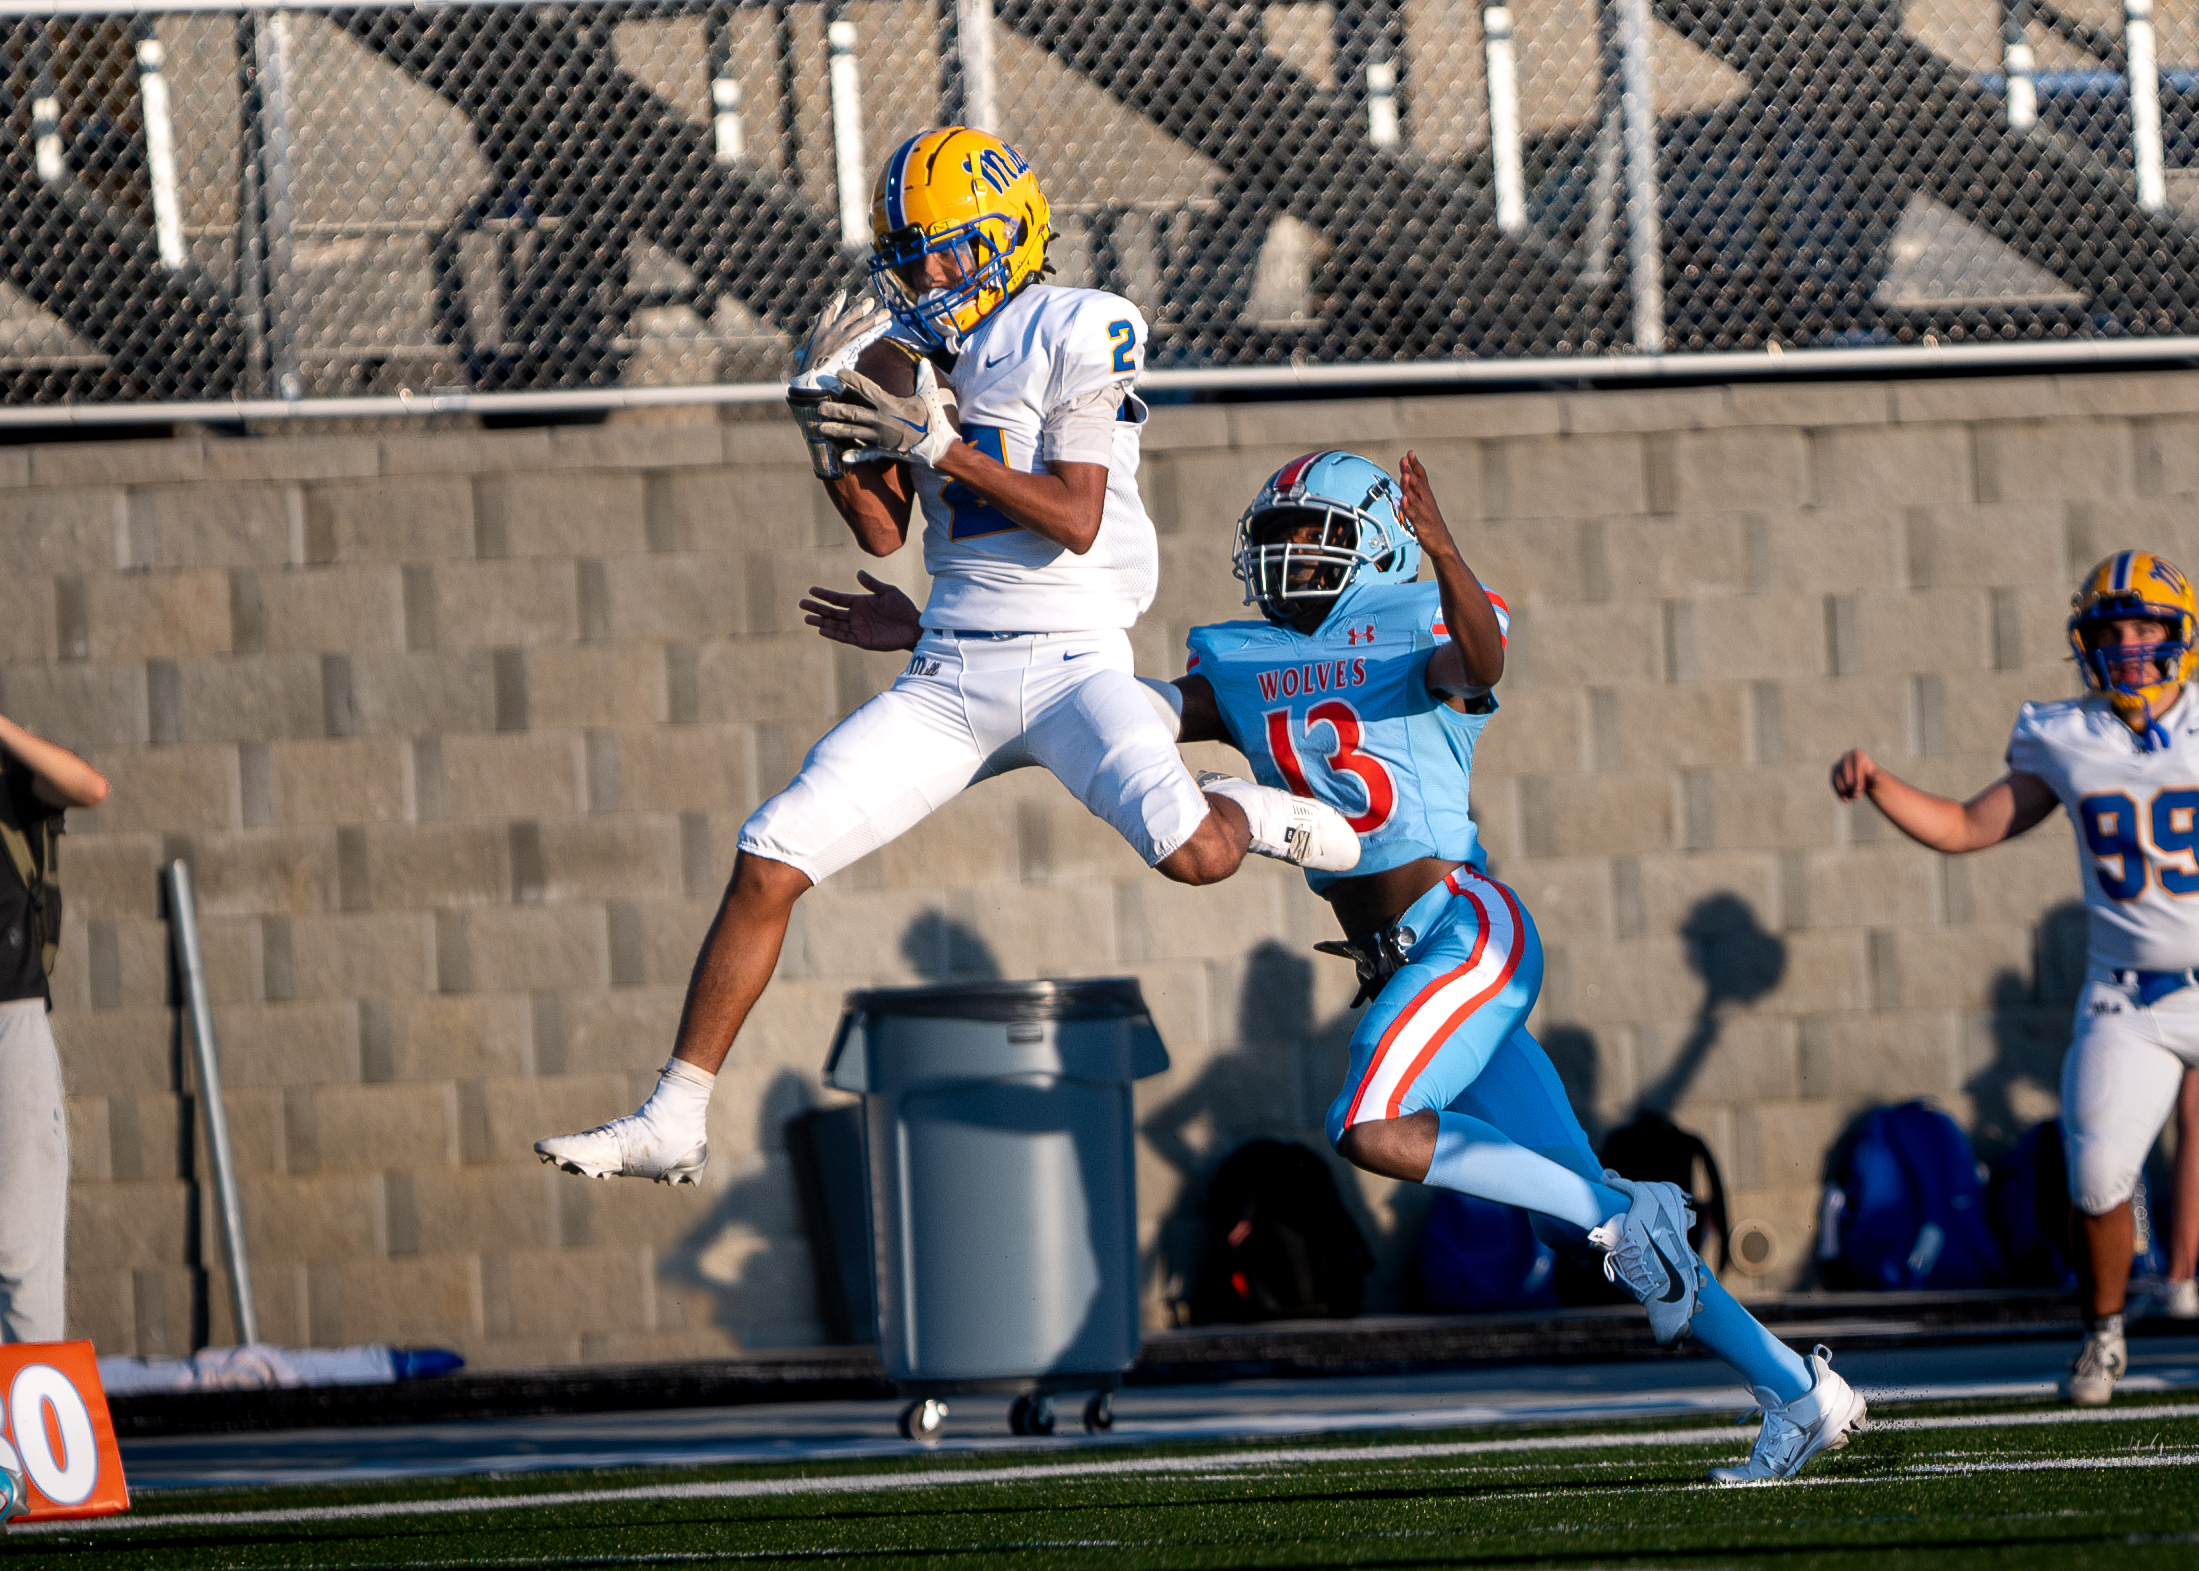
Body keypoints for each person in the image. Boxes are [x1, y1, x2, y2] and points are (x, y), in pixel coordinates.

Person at [817, 449, 1868, 1483]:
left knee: (1372, 1126)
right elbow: (1103, 713)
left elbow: (1485, 658)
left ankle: (1628, 1218)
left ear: (1377, 545)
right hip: (1393, 959)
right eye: (1273, 541)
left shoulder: (1420, 617)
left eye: (1313, 539)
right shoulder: (1236, 654)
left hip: (1464, 924)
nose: (1288, 560)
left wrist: (1445, 544)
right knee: (1595, 1198)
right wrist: (946, 644)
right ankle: (1797, 1390)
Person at [535, 127, 1352, 1186]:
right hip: (952, 672)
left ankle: (1270, 810)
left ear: (1010, 236)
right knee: (768, 850)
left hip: (1072, 665)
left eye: (948, 250)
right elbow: (883, 532)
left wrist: (935, 443)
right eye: (910, 253)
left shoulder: (1081, 323)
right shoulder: (904, 354)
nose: (925, 274)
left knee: (1195, 853)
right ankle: (675, 1112)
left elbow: (1073, 515)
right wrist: (825, 432)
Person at [1832, 549, 2199, 1403]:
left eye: (2144, 627)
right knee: (2098, 1174)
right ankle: (2103, 1333)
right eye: (2111, 631)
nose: (2129, 646)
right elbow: (1966, 825)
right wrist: (1882, 783)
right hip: (2129, 995)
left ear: (2179, 634)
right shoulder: (2065, 735)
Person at [0, 711, 108, 1342]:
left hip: (9, 1019)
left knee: (19, 1248)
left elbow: (89, 788)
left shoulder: (14, 778)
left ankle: (35, 1415)